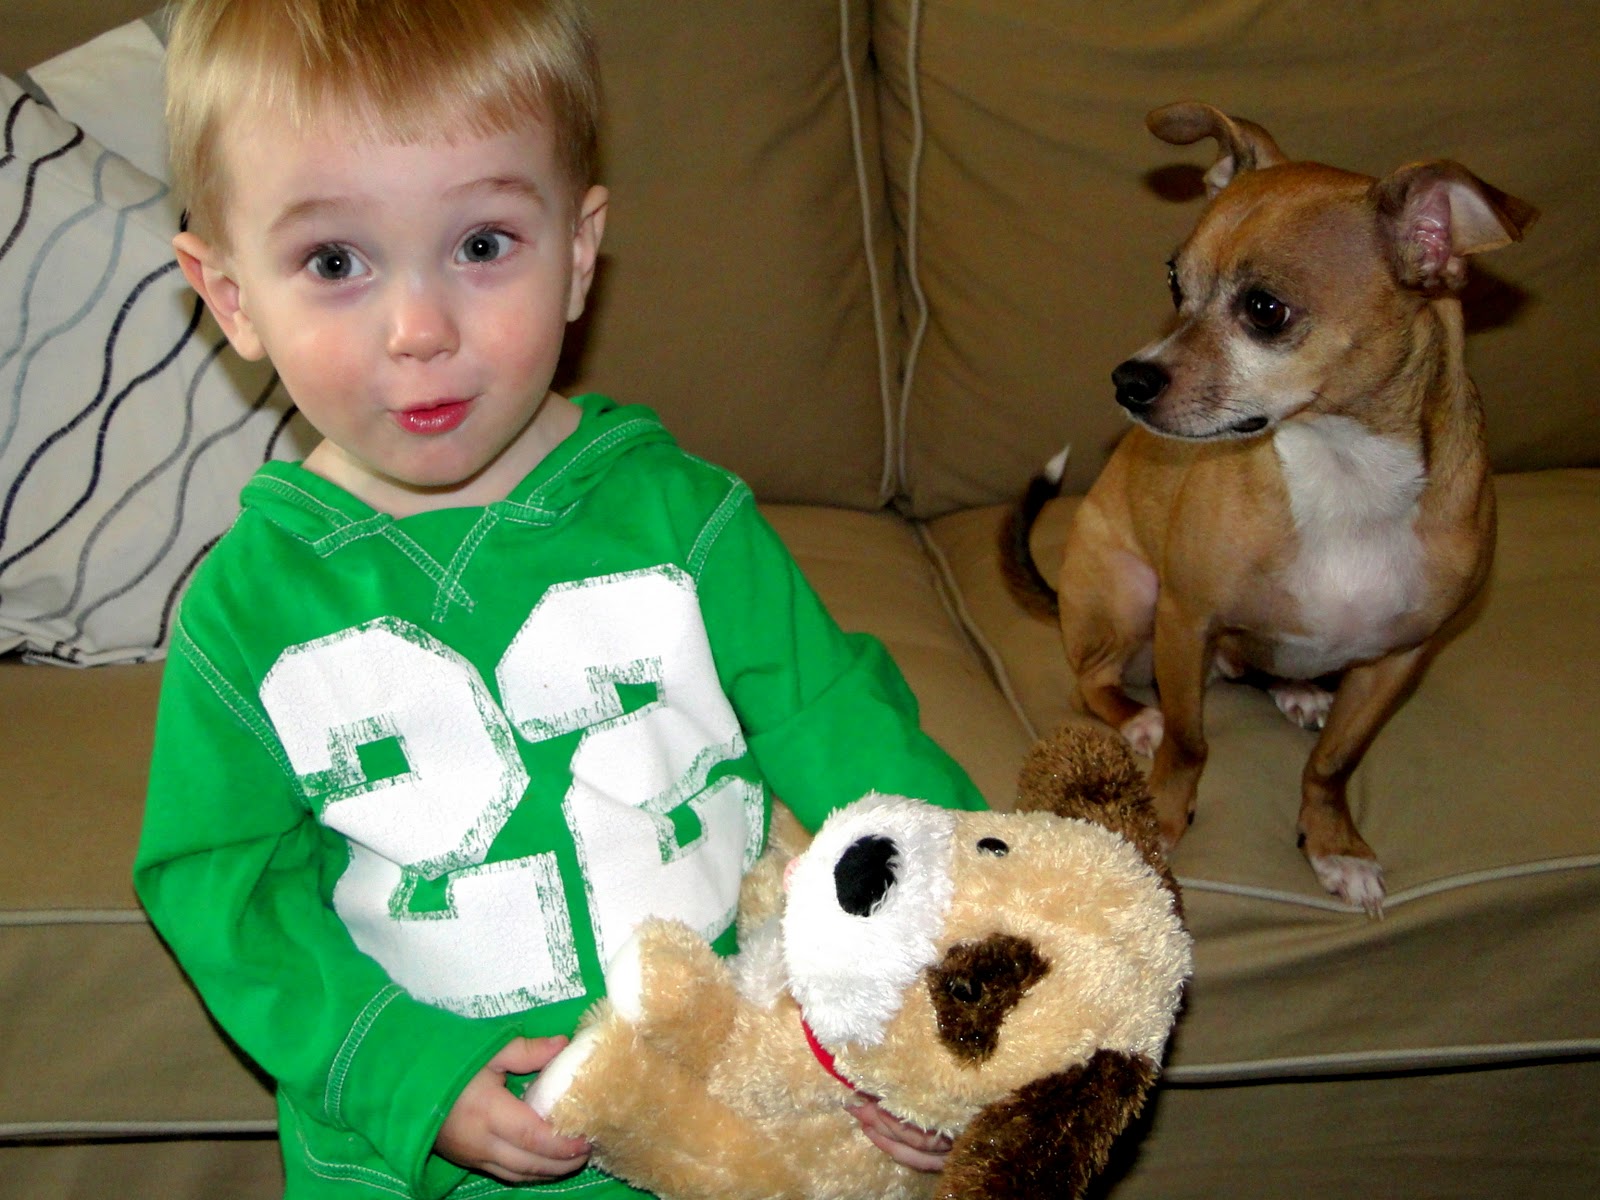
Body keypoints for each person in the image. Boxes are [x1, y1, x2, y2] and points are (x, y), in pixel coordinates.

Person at [133, 2, 985, 1196]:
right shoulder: (242, 611)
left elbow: (846, 731)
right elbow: (220, 885)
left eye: (482, 244)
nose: (419, 330)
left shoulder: (684, 517)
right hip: (426, 1165)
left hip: (734, 1118)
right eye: (334, 263)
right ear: (228, 296)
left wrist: (956, 983)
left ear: (579, 252)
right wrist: (402, 1074)